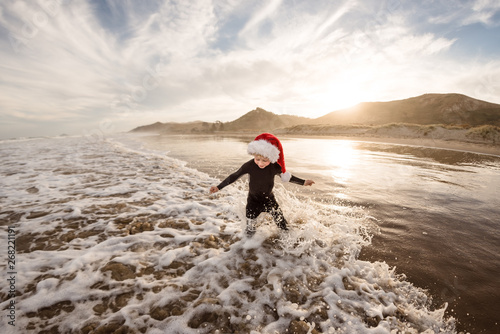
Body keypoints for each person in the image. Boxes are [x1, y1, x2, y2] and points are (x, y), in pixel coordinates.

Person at [209, 133, 315, 236]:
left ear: (271, 158)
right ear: (254, 155)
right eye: (257, 159)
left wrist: (304, 182)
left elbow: (288, 177)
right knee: (250, 229)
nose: (260, 163)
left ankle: (290, 242)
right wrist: (218, 187)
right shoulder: (249, 165)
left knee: (282, 225)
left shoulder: (274, 167)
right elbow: (234, 176)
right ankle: (247, 248)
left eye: (265, 160)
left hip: (269, 200)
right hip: (253, 201)